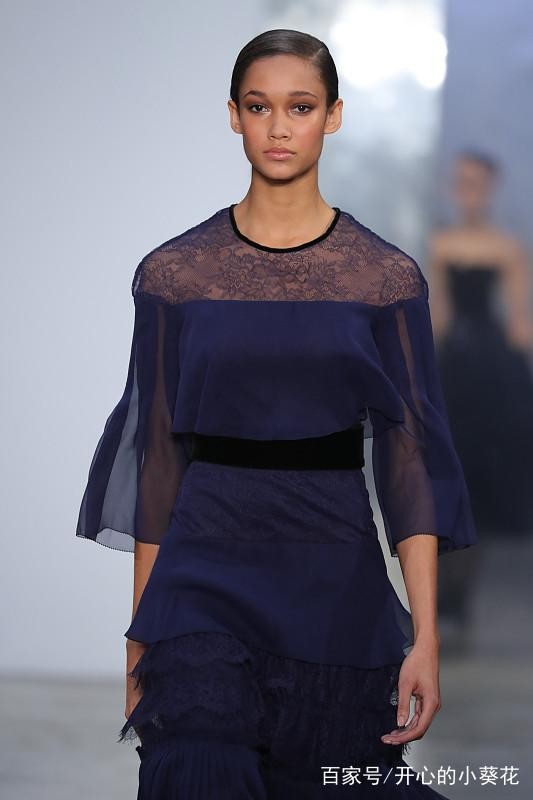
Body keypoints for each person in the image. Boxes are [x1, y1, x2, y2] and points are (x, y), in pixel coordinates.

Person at [76, 29, 477, 799]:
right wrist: (140, 637)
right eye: (259, 107)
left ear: (333, 115)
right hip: (202, 573)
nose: (279, 127)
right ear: (233, 115)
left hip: (332, 575)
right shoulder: (175, 274)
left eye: (300, 106)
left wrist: (425, 636)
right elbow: (157, 455)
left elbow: (410, 460)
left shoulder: (383, 279)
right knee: (199, 766)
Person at [428, 150, 533, 650]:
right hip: (454, 371)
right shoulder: (442, 243)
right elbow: (438, 316)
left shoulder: (507, 247)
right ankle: (441, 604)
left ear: (489, 188)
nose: (469, 190)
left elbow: (520, 322)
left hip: (490, 376)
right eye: (463, 181)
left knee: (480, 486)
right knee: (446, 480)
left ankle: (457, 603)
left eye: (477, 182)